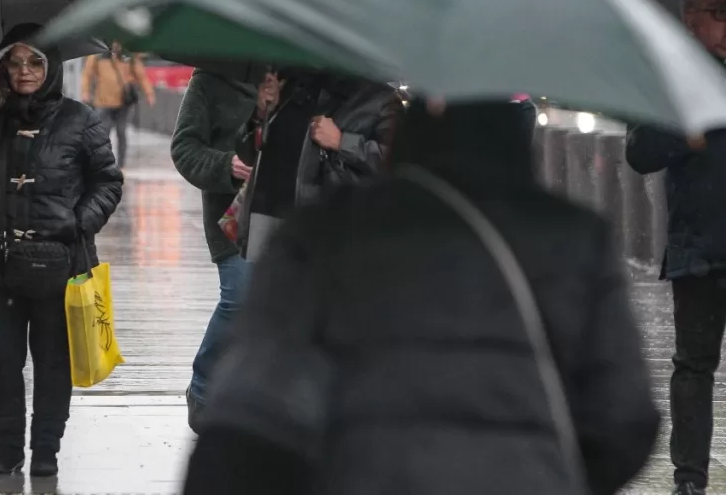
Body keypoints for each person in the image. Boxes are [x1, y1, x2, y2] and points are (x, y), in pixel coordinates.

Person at [184, 97, 660, 495]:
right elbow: (626, 421)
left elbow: (247, 425)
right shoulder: (575, 239)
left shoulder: (327, 230)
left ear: (403, 137)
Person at [0, 23, 123, 477]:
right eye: (15, 61)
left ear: (51, 68)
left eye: (35, 62)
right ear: (1, 66)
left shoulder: (80, 119)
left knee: (53, 364)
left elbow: (108, 181)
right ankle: (8, 448)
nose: (24, 71)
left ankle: (46, 448)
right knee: (0, 365)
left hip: (57, 263)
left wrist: (77, 223)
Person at [625, 0, 726, 495]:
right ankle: (689, 480)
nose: (691, 19)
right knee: (692, 366)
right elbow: (639, 152)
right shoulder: (671, 77)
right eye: (687, 8)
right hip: (698, 247)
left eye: (704, 10)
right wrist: (683, 134)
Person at [235, 71, 401, 261]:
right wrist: (260, 115)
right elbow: (246, 153)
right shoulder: (290, 85)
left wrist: (342, 142)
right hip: (265, 216)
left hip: (328, 228)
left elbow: (398, 164)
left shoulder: (381, 98)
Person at [170, 69, 257, 432]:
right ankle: (203, 388)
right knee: (239, 296)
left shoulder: (300, 76)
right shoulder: (210, 78)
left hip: (292, 209)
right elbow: (184, 148)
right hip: (233, 216)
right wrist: (227, 164)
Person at [80, 42, 156, 167]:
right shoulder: (98, 55)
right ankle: (103, 161)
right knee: (104, 132)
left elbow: (141, 75)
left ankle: (121, 164)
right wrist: (85, 92)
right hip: (103, 101)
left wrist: (149, 94)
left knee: (121, 132)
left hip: (123, 102)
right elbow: (87, 74)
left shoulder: (128, 56)